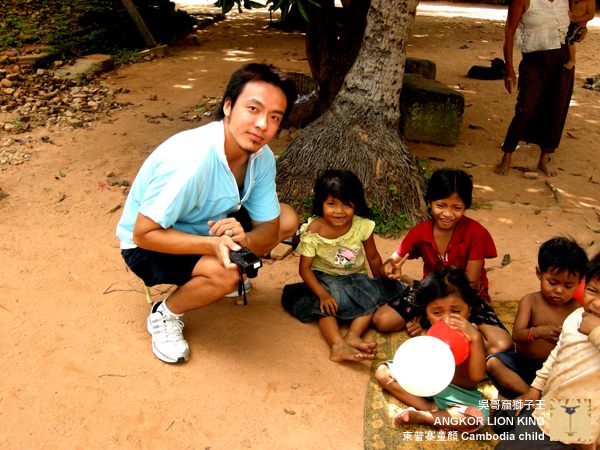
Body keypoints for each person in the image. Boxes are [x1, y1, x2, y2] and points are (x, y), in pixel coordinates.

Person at [116, 63, 299, 364]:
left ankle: (214, 271)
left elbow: (269, 228)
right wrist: (214, 246)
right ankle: (165, 314)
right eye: (253, 109)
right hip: (148, 244)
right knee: (228, 274)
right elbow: (142, 233)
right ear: (228, 105)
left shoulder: (262, 157)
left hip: (207, 225)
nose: (262, 124)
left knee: (288, 218)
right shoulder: (188, 161)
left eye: (274, 116)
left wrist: (247, 238)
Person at [373, 168, 513, 355]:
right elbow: (388, 265)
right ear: (429, 202)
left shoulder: (476, 233)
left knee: (502, 345)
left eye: (457, 208)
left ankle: (434, 330)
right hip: (431, 294)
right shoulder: (420, 232)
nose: (447, 214)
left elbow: (470, 285)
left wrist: (434, 318)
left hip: (466, 298)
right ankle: (434, 321)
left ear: (466, 206)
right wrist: (389, 271)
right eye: (441, 206)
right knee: (382, 320)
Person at [281, 170, 409, 362]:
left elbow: (373, 257)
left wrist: (382, 276)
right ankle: (337, 344)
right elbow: (305, 269)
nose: (339, 211)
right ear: (321, 204)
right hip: (323, 280)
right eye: (331, 204)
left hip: (356, 278)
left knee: (373, 298)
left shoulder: (362, 226)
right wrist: (322, 294)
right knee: (324, 307)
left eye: (346, 204)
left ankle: (353, 335)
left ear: (356, 204)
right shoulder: (314, 229)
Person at [494, 251, 600, 450]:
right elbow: (556, 356)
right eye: (593, 291)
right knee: (503, 420)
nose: (597, 303)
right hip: (551, 400)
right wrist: (534, 390)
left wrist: (595, 330)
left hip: (574, 414)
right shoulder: (577, 315)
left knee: (504, 448)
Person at [375, 269, 490, 433]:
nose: (447, 318)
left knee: (477, 416)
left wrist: (477, 339)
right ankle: (429, 408)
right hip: (428, 388)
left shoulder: (473, 335)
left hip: (461, 396)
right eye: (437, 312)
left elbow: (477, 376)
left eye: (456, 311)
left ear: (469, 308)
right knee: (382, 372)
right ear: (427, 312)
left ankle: (424, 417)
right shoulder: (430, 332)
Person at [486, 236, 588, 398]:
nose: (559, 290)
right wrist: (538, 332)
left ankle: (538, 398)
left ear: (580, 282)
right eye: (553, 282)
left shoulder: (576, 308)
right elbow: (517, 336)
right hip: (524, 365)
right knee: (493, 362)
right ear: (539, 273)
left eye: (568, 286)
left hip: (555, 369)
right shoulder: (530, 301)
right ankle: (531, 396)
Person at [495, 0, 574, 177]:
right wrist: (509, 69)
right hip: (534, 61)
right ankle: (507, 156)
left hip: (563, 62)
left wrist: (581, 30)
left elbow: (576, 26)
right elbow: (509, 33)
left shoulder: (565, 0)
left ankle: (543, 160)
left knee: (555, 111)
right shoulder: (522, 0)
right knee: (525, 109)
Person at [564, 0, 595, 71]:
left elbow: (590, 15)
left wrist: (575, 19)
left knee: (569, 39)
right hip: (569, 23)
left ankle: (572, 59)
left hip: (579, 25)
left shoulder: (590, 1)